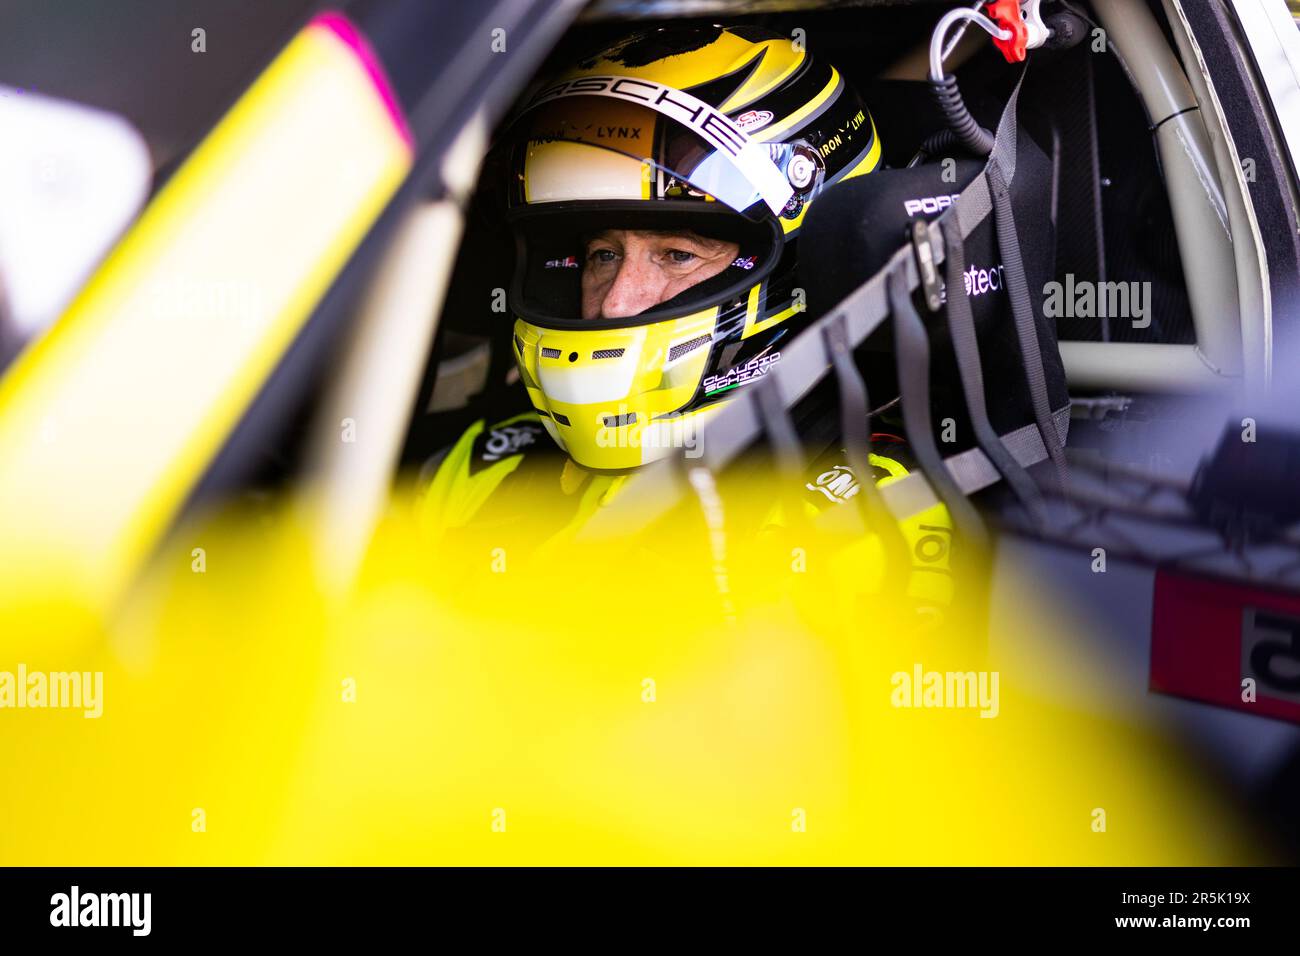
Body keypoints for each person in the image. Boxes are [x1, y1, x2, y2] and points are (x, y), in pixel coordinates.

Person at [420, 25, 951, 607]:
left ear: (799, 268)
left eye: (677, 255)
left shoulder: (862, 517)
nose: (617, 301)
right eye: (603, 254)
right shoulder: (484, 468)